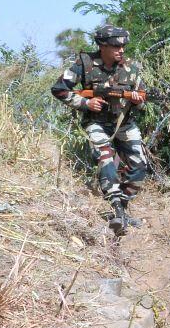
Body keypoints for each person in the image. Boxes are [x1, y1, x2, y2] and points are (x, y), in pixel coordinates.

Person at [51, 25, 147, 235]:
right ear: (102, 46)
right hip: (96, 122)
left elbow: (141, 100)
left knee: (140, 164)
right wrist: (86, 104)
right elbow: (59, 89)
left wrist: (138, 100)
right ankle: (117, 210)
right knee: (105, 157)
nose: (121, 50)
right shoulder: (84, 64)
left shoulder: (132, 68)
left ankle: (122, 206)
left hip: (123, 122)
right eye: (115, 46)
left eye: (123, 46)